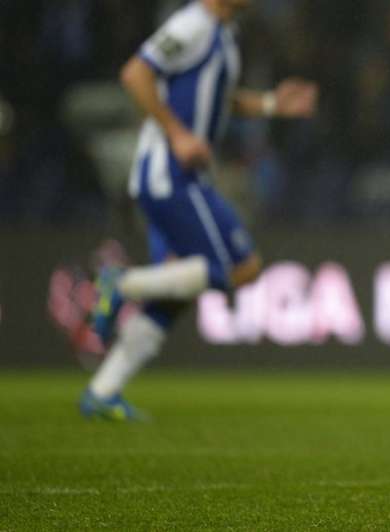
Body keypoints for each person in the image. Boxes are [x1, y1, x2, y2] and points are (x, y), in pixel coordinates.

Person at [79, 0, 317, 420]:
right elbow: (136, 74)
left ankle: (103, 389)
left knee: (177, 291)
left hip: (186, 177)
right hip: (169, 175)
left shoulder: (223, 34)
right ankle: (121, 283)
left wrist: (269, 105)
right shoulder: (193, 24)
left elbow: (216, 98)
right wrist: (177, 134)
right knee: (233, 268)